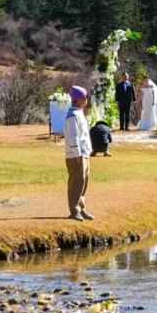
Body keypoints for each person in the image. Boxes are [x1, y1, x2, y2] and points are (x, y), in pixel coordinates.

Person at [63, 85, 94, 220]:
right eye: (85, 97)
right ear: (79, 99)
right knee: (76, 181)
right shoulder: (72, 116)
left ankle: (82, 208)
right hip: (77, 155)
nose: (86, 99)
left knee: (83, 182)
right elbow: (72, 137)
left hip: (84, 153)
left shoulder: (79, 113)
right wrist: (77, 155)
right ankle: (74, 210)